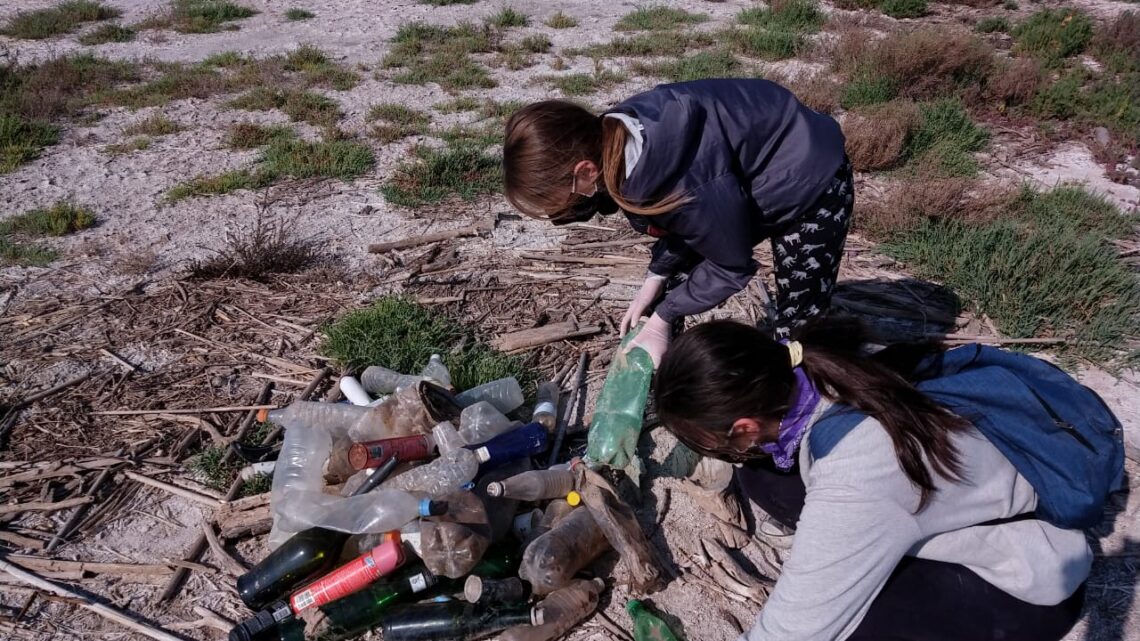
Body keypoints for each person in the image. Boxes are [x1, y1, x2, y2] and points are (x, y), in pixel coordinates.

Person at [653, 318, 1123, 641]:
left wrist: (834, 552)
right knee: (765, 479)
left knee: (857, 626)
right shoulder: (818, 364)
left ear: (745, 427)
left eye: (718, 446)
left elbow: (798, 627)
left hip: (1025, 583)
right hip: (958, 488)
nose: (726, 455)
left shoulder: (859, 475)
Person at [503, 79, 851, 364]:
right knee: (670, 286)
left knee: (798, 327)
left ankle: (807, 406)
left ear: (585, 170)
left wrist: (663, 317)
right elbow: (686, 225)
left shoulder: (683, 183)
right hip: (742, 176)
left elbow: (731, 265)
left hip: (811, 176)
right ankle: (668, 369)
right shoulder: (613, 135)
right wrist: (655, 278)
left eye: (560, 199)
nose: (562, 210)